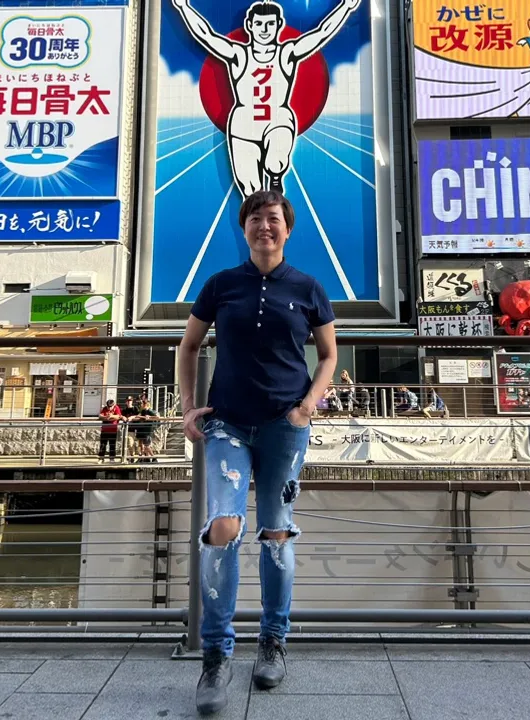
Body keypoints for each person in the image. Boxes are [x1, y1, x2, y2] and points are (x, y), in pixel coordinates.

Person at [179, 189, 336, 715]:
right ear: (243, 227)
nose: (264, 226)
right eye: (254, 218)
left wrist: (307, 406)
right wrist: (188, 407)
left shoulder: (308, 287)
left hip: (285, 427)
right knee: (223, 526)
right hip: (227, 424)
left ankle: (273, 640)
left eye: (273, 219)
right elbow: (188, 346)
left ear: (287, 229)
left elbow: (329, 354)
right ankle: (215, 655)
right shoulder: (221, 284)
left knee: (276, 530)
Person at [171, 0, 361, 196]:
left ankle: (276, 174)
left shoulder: (286, 53)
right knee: (250, 190)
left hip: (278, 120)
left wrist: (345, 7)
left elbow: (321, 33)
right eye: (259, 24)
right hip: (243, 125)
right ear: (250, 25)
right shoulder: (238, 54)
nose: (264, 29)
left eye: (270, 24)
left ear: (279, 25)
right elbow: (206, 35)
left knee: (275, 159)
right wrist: (184, 7)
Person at [98, 399, 122, 463]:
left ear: (113, 405)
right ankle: (101, 458)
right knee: (103, 445)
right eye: (108, 406)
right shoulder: (105, 408)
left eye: (111, 406)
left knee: (112, 445)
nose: (109, 408)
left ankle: (112, 458)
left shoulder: (116, 408)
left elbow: (118, 416)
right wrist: (106, 417)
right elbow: (100, 415)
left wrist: (111, 416)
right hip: (104, 430)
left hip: (113, 430)